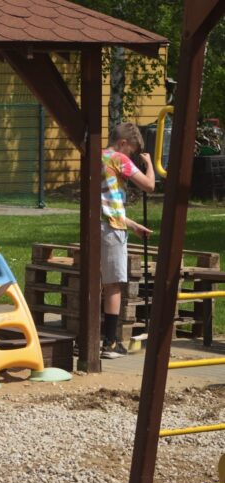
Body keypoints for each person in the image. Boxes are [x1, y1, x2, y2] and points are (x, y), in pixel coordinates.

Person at [99, 122, 154, 359]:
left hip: (97, 225)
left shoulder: (97, 157)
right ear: (123, 143)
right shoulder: (119, 159)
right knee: (113, 284)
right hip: (111, 229)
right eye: (131, 150)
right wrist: (149, 165)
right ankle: (110, 343)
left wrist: (132, 225)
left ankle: (89, 338)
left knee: (97, 283)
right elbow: (149, 186)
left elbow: (106, 203)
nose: (130, 155)